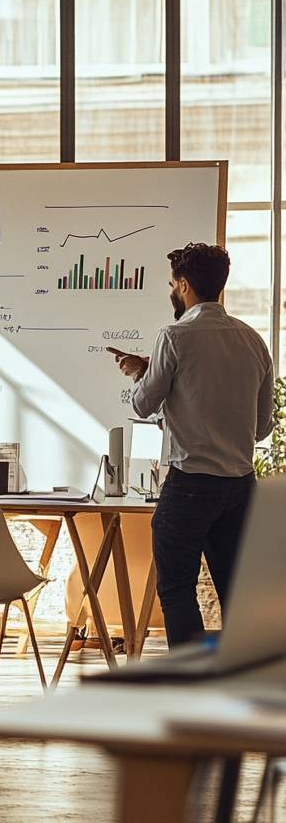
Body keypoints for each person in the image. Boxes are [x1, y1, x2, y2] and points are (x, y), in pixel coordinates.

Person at [111, 243, 273, 647]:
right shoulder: (253, 341)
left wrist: (142, 374)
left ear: (183, 285)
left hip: (189, 486)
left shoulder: (175, 335)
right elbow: (262, 428)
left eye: (171, 284)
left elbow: (144, 405)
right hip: (240, 486)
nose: (172, 291)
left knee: (177, 588)